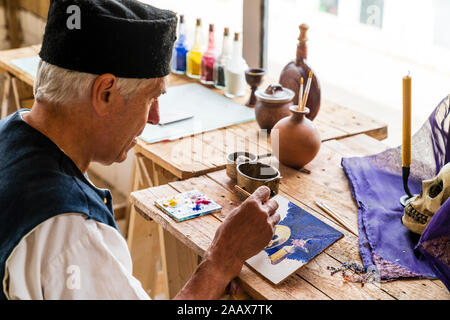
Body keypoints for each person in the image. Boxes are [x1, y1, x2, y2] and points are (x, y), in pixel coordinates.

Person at [0, 0, 280, 299]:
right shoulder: (70, 231)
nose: (155, 117)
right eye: (151, 98)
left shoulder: (8, 133)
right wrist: (221, 262)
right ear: (105, 93)